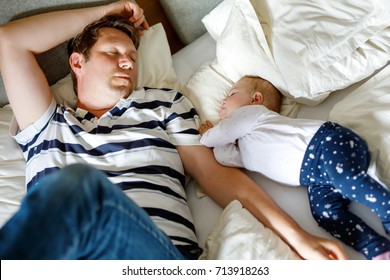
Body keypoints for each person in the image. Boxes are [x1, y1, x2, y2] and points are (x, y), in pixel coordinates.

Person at [0, 0, 348, 260]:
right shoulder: (48, 125)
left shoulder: (164, 104)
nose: (128, 61)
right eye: (113, 51)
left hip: (152, 257)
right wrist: (108, 11)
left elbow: (216, 177)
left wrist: (299, 237)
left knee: (77, 187)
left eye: (133, 56)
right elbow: (9, 41)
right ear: (77, 62)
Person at [199, 75, 390, 260]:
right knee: (325, 214)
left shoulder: (251, 114)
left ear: (255, 99)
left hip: (327, 145)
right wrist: (217, 140)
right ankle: (376, 249)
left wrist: (207, 134)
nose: (222, 101)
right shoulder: (244, 147)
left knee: (347, 180)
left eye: (232, 94)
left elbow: (219, 135)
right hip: (315, 179)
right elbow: (223, 157)